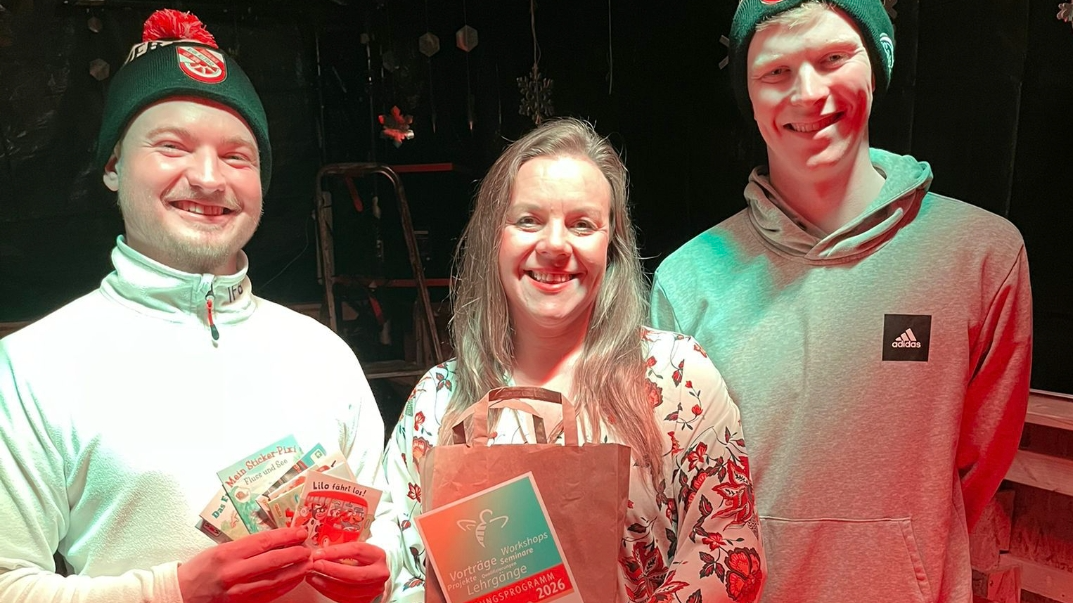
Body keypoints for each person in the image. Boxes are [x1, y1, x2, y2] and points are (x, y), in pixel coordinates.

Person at [0, 10, 388, 603]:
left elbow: (387, 543)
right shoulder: (32, 367)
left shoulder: (324, 355)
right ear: (113, 167)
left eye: (237, 156)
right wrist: (175, 590)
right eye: (172, 147)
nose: (208, 178)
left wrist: (381, 578)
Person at [650, 1, 1033, 601]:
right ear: (748, 94)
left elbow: (974, 467)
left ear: (877, 67)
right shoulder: (687, 281)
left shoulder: (982, 257)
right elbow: (679, 487)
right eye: (776, 71)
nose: (807, 93)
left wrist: (896, 547)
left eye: (833, 58)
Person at [369, 118, 765, 603]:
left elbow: (727, 545)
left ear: (611, 246)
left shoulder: (676, 377)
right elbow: (403, 566)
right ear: (494, 238)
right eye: (528, 220)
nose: (555, 246)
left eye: (582, 224)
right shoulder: (438, 401)